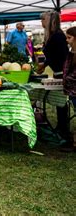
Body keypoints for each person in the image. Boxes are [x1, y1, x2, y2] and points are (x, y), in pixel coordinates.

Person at [37, 11, 70, 150]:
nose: (41, 22)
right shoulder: (54, 36)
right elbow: (53, 56)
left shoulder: (58, 36)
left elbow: (62, 56)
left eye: (43, 19)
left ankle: (64, 131)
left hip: (62, 73)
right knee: (58, 101)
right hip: (58, 72)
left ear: (50, 20)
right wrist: (44, 65)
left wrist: (45, 65)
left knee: (61, 103)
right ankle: (61, 128)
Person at [62, 26, 76, 152]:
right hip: (72, 91)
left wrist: (66, 79)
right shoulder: (71, 53)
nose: (67, 40)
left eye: (69, 37)